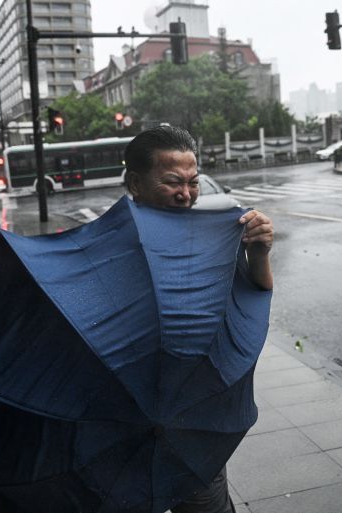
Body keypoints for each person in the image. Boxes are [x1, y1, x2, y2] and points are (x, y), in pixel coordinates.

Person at [124, 125, 274, 513]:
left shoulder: (209, 234)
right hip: (125, 417)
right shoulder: (113, 241)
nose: (186, 193)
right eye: (173, 182)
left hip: (192, 414)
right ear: (135, 183)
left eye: (192, 183)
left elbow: (254, 293)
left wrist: (258, 253)